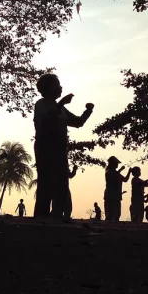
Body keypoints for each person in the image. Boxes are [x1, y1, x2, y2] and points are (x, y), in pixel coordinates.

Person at [33, 74, 94, 221]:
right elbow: (46, 121)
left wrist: (88, 111)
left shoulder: (59, 108)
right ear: (48, 88)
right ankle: (41, 216)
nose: (60, 88)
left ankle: (58, 216)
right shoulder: (41, 104)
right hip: (45, 148)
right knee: (46, 182)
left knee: (61, 184)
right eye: (57, 85)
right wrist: (61, 104)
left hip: (59, 150)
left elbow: (78, 122)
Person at [104, 156, 131, 222]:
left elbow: (125, 179)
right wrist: (121, 170)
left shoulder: (116, 173)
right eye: (116, 163)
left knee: (117, 215)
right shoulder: (109, 172)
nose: (117, 165)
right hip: (110, 196)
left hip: (116, 196)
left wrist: (129, 172)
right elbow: (113, 176)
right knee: (110, 215)